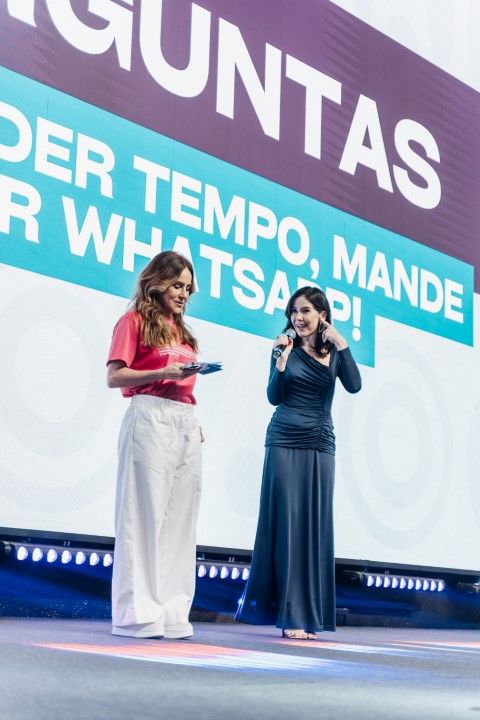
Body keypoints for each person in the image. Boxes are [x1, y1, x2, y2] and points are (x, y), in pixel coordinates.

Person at [236, 286, 361, 639]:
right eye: (293, 311)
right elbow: (273, 397)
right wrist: (279, 364)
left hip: (321, 442)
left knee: (314, 528)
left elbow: (354, 386)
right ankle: (290, 613)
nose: (298, 317)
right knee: (288, 525)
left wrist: (343, 344)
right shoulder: (284, 347)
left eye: (305, 310)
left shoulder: (334, 352)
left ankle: (311, 615)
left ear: (322, 314)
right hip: (284, 439)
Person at [106, 250, 203, 640]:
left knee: (180, 520)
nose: (183, 294)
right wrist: (163, 371)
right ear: (158, 282)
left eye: (187, 288)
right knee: (142, 516)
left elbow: (182, 384)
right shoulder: (132, 321)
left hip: (184, 420)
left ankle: (172, 609)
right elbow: (115, 377)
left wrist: (192, 420)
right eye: (177, 285)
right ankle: (136, 613)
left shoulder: (182, 331)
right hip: (148, 416)